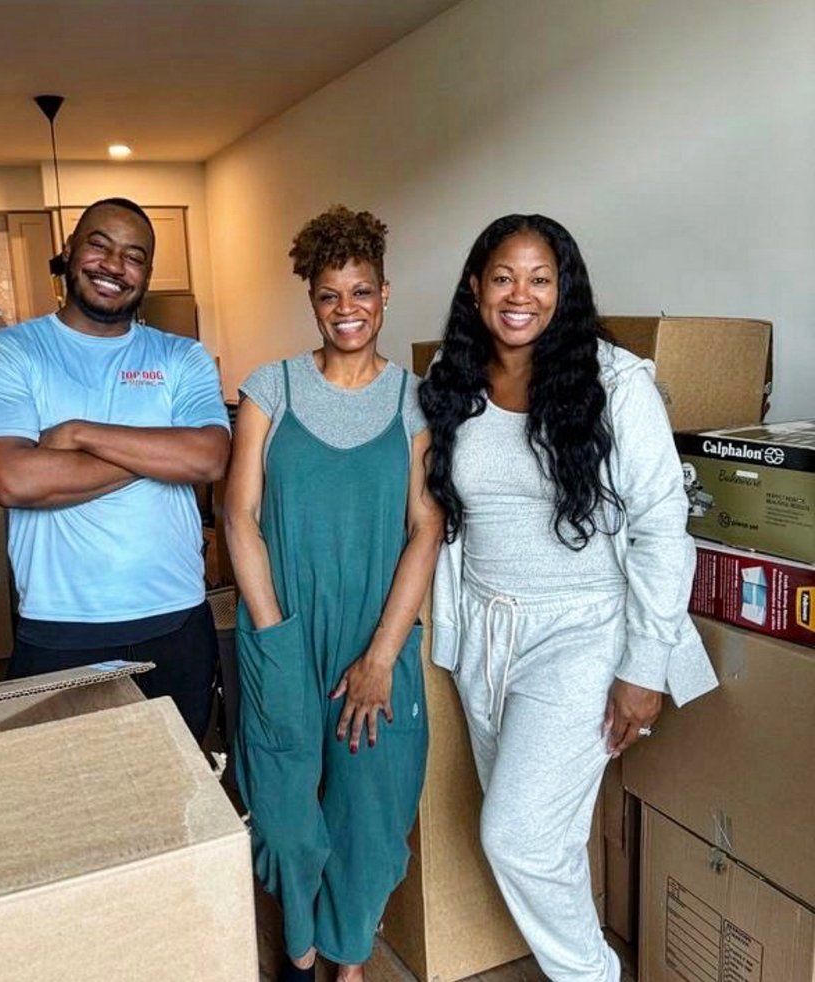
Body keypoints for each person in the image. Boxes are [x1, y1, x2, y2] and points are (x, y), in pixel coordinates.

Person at [419, 214, 718, 981]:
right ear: (476, 288)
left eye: (539, 279)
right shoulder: (450, 382)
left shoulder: (615, 384)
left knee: (515, 836)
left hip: (584, 633)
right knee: (541, 839)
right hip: (483, 631)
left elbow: (662, 525)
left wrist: (643, 667)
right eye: (503, 277)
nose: (520, 295)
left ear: (564, 289)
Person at [225, 206, 444, 982]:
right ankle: (302, 942)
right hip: (283, 628)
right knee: (283, 817)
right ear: (312, 300)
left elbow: (426, 526)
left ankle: (348, 962)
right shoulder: (271, 389)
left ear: (385, 294)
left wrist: (381, 657)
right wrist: (273, 634)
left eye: (361, 291)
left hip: (377, 635)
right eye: (329, 294)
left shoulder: (416, 401)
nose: (346, 309)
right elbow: (238, 513)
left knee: (372, 822)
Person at [0, 197, 229, 742]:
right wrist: (160, 454)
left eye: (134, 256)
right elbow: (13, 479)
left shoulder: (182, 356)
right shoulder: (7, 352)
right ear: (68, 251)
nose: (114, 266)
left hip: (177, 620)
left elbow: (208, 458)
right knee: (64, 789)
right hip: (61, 628)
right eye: (99, 245)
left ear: (147, 273)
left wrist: (79, 433)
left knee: (179, 785)